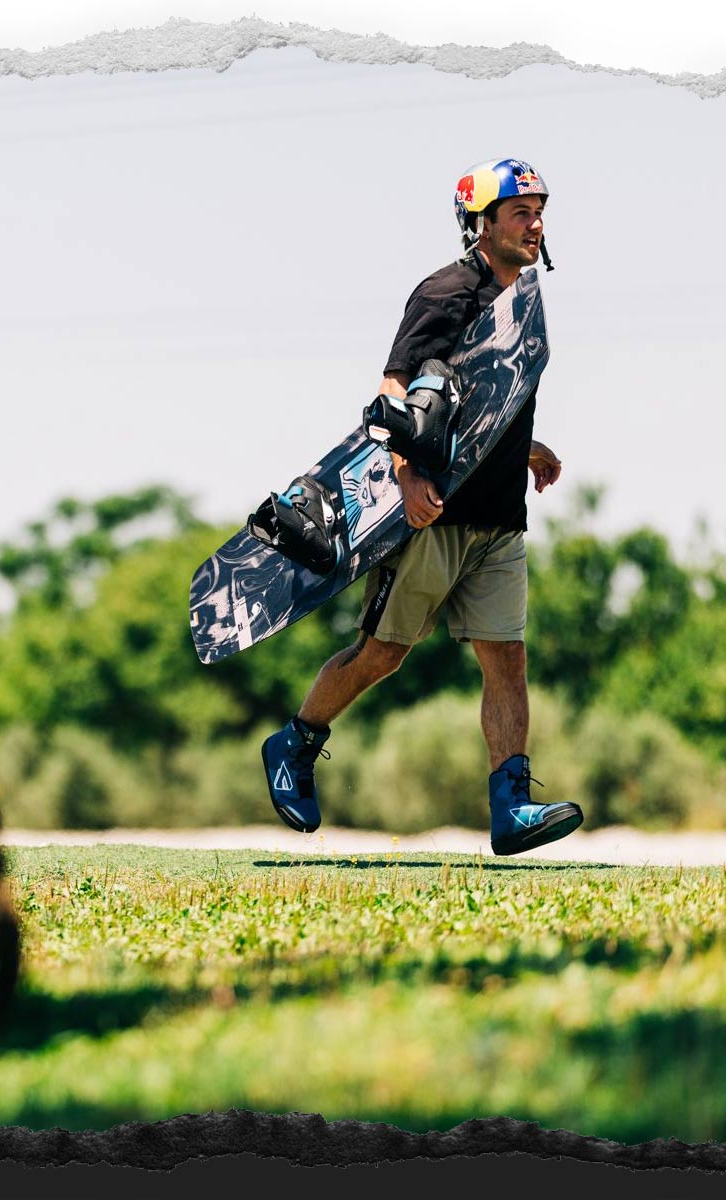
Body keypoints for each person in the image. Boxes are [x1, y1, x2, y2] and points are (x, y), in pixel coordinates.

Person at [261, 158, 583, 857]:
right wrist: (407, 477)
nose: (535, 224)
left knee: (508, 659)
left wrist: (528, 450)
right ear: (483, 222)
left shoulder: (521, 303)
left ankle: (511, 808)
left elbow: (484, 403)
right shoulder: (445, 293)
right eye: (521, 212)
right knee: (383, 654)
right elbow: (395, 393)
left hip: (499, 519)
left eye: (540, 212)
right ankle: (295, 743)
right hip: (434, 513)